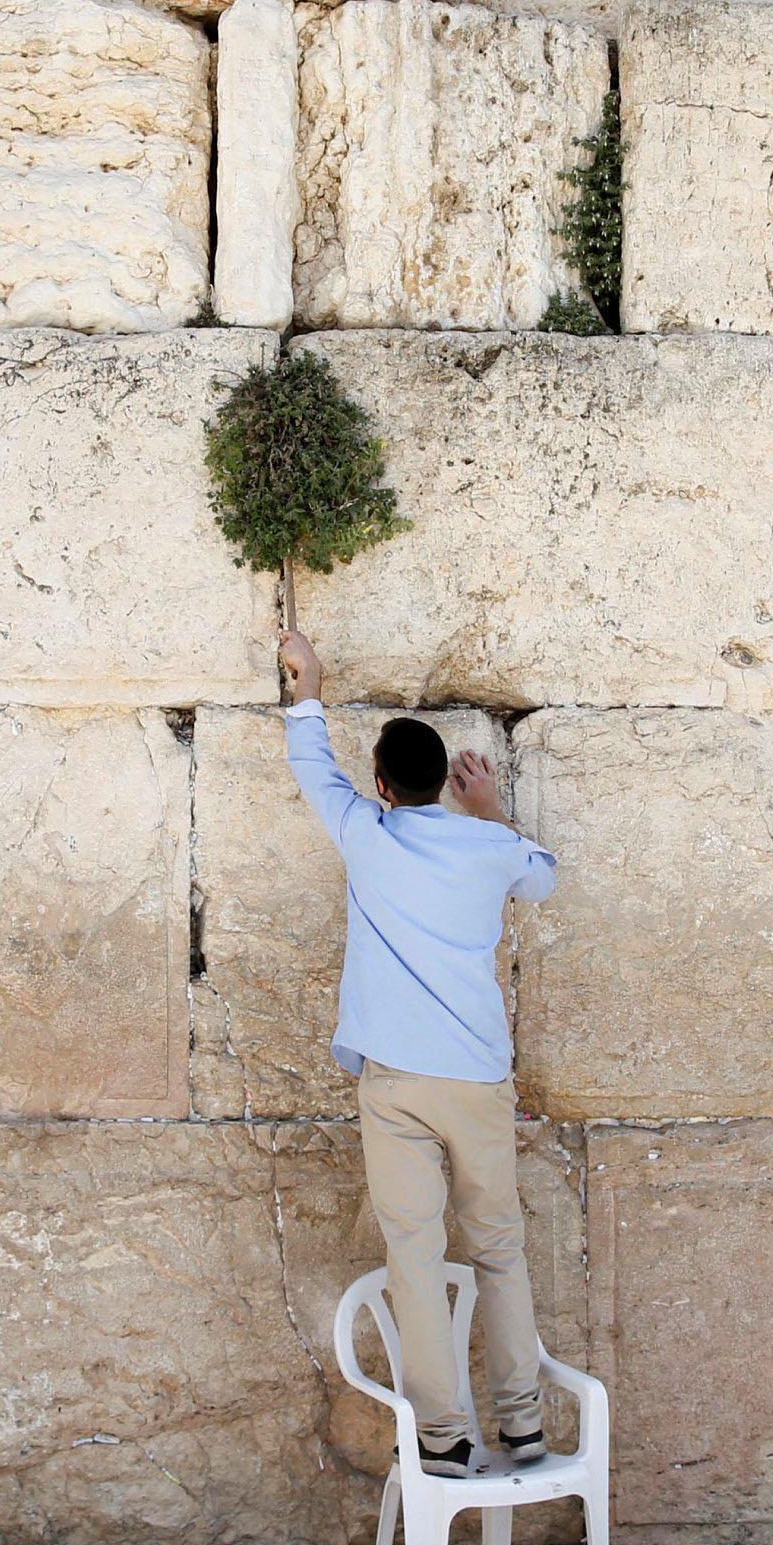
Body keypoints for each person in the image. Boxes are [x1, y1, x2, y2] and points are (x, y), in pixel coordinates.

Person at [278, 627, 560, 1480]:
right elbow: (541, 876)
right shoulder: (487, 848)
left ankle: (443, 1435)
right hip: (476, 1076)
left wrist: (310, 682)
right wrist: (491, 812)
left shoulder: (367, 833)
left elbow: (310, 764)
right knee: (499, 1247)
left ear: (382, 787)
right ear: (444, 782)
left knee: (416, 1253)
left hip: (396, 1082)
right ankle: (524, 1425)